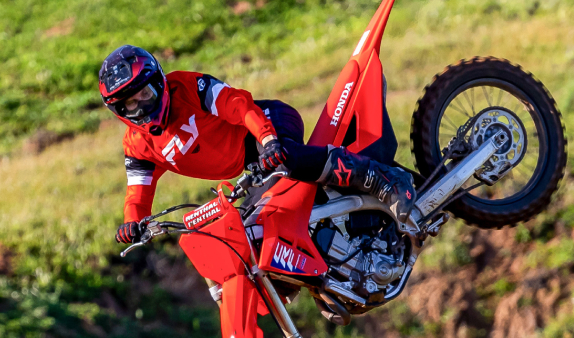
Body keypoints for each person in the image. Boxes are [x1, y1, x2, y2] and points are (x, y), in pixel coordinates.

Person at [98, 45, 415, 246]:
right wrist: (132, 224)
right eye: (130, 105)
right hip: (248, 166)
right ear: (119, 112)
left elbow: (237, 105)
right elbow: (137, 197)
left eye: (146, 95)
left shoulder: (189, 87)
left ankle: (383, 179)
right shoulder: (138, 146)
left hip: (267, 124)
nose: (142, 107)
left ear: (161, 83)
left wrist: (267, 139)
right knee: (255, 231)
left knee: (285, 161)